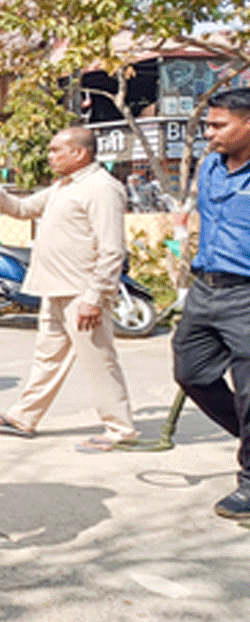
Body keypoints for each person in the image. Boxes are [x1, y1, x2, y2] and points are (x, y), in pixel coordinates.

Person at [0, 127, 139, 452]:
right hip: (56, 288)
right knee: (47, 358)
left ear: (79, 153)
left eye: (56, 150)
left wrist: (95, 297)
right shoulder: (64, 186)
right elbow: (22, 209)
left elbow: (112, 249)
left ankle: (120, 429)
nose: (50, 156)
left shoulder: (102, 188)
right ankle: (24, 417)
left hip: (82, 292)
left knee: (99, 361)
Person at [173, 88, 250, 521]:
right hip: (206, 288)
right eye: (208, 124)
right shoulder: (211, 167)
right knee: (191, 372)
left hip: (247, 294)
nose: (209, 133)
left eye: (219, 125)